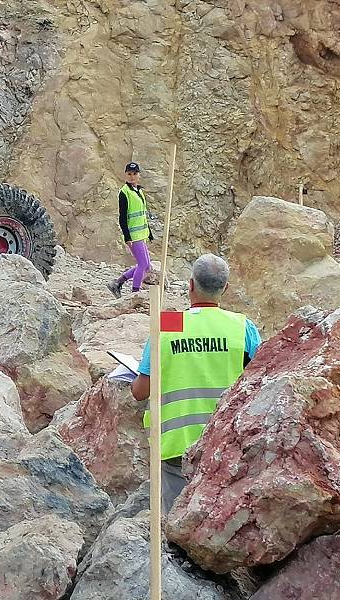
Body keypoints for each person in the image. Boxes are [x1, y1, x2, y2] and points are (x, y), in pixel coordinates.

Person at [131, 253, 261, 514]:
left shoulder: (170, 324)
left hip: (177, 445)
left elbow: (140, 391)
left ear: (190, 285)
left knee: (176, 520)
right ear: (225, 288)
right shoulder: (241, 326)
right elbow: (261, 379)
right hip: (225, 444)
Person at [107, 162, 153, 298]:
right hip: (133, 235)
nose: (132, 177)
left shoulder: (139, 191)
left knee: (147, 266)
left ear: (139, 175)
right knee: (143, 264)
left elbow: (142, 213)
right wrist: (127, 237)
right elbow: (122, 217)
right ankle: (135, 293)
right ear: (125, 175)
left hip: (141, 234)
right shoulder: (124, 193)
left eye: (135, 174)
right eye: (129, 174)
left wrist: (149, 232)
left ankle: (118, 282)